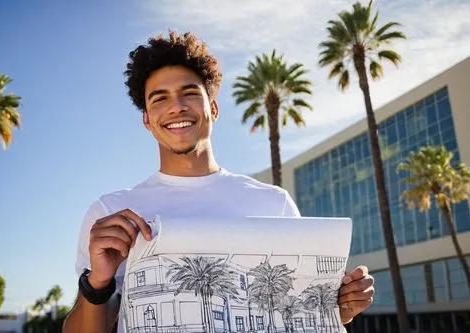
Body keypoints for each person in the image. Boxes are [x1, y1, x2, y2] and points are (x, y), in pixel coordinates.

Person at [62, 31, 375, 333]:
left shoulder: (273, 203)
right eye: (159, 98)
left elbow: (297, 314)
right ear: (146, 119)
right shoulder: (110, 212)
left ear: (212, 107)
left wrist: (338, 311)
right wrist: (97, 284)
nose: (176, 107)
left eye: (189, 93)